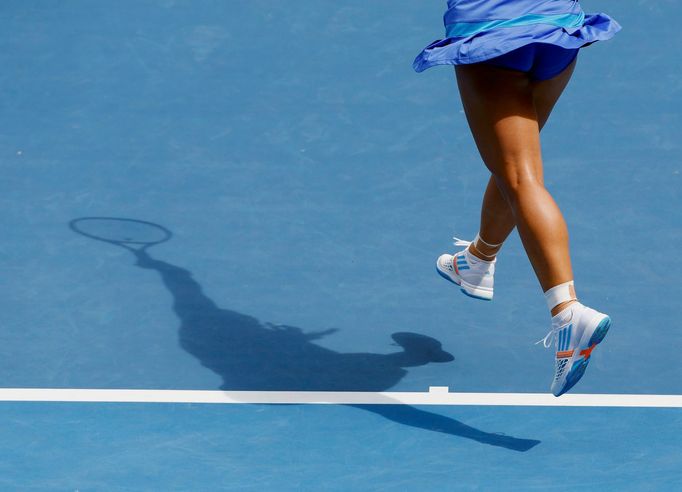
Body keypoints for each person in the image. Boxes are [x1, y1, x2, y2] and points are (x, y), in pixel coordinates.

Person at [413, 0, 620, 396]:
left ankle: (567, 312)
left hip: (494, 35)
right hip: (557, 32)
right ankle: (477, 260)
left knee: (520, 176)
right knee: (515, 167)